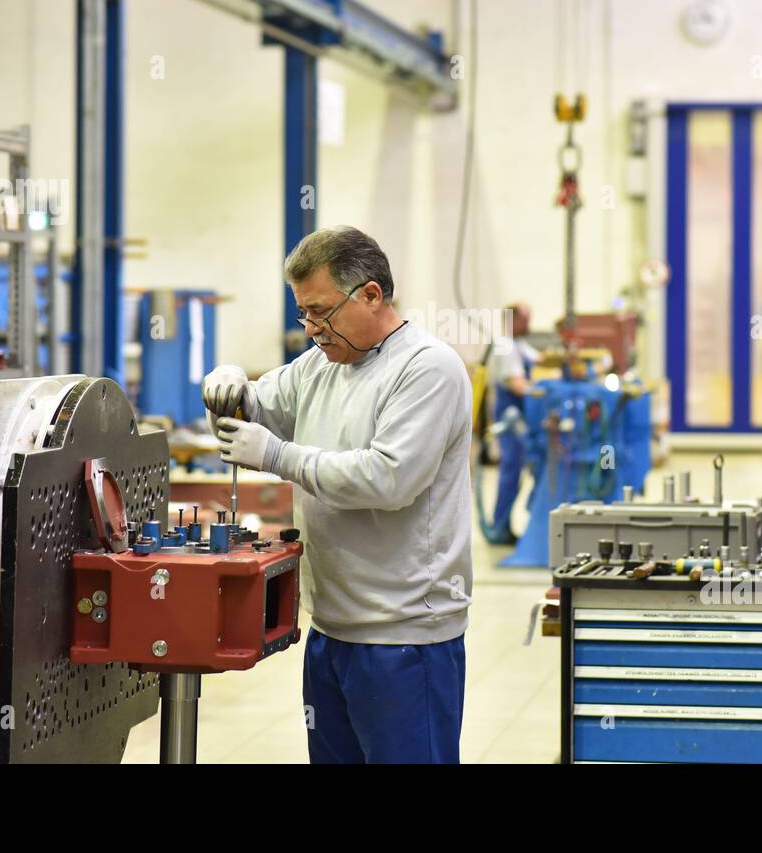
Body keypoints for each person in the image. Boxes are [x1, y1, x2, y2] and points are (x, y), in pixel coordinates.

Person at [202, 225, 473, 763]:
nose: (312, 329)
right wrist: (229, 388)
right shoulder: (321, 364)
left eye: (322, 312)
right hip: (332, 628)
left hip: (404, 636)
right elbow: (253, 407)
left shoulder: (426, 368)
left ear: (372, 295)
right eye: (304, 314)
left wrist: (277, 456)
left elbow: (388, 479)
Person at [487, 303, 541, 542]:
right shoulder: (505, 346)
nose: (529, 324)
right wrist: (545, 393)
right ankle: (499, 528)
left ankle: (504, 526)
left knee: (516, 472)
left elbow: (541, 359)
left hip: (519, 418)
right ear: (512, 320)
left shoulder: (518, 344)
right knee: (510, 473)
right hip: (509, 418)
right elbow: (516, 384)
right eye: (526, 319)